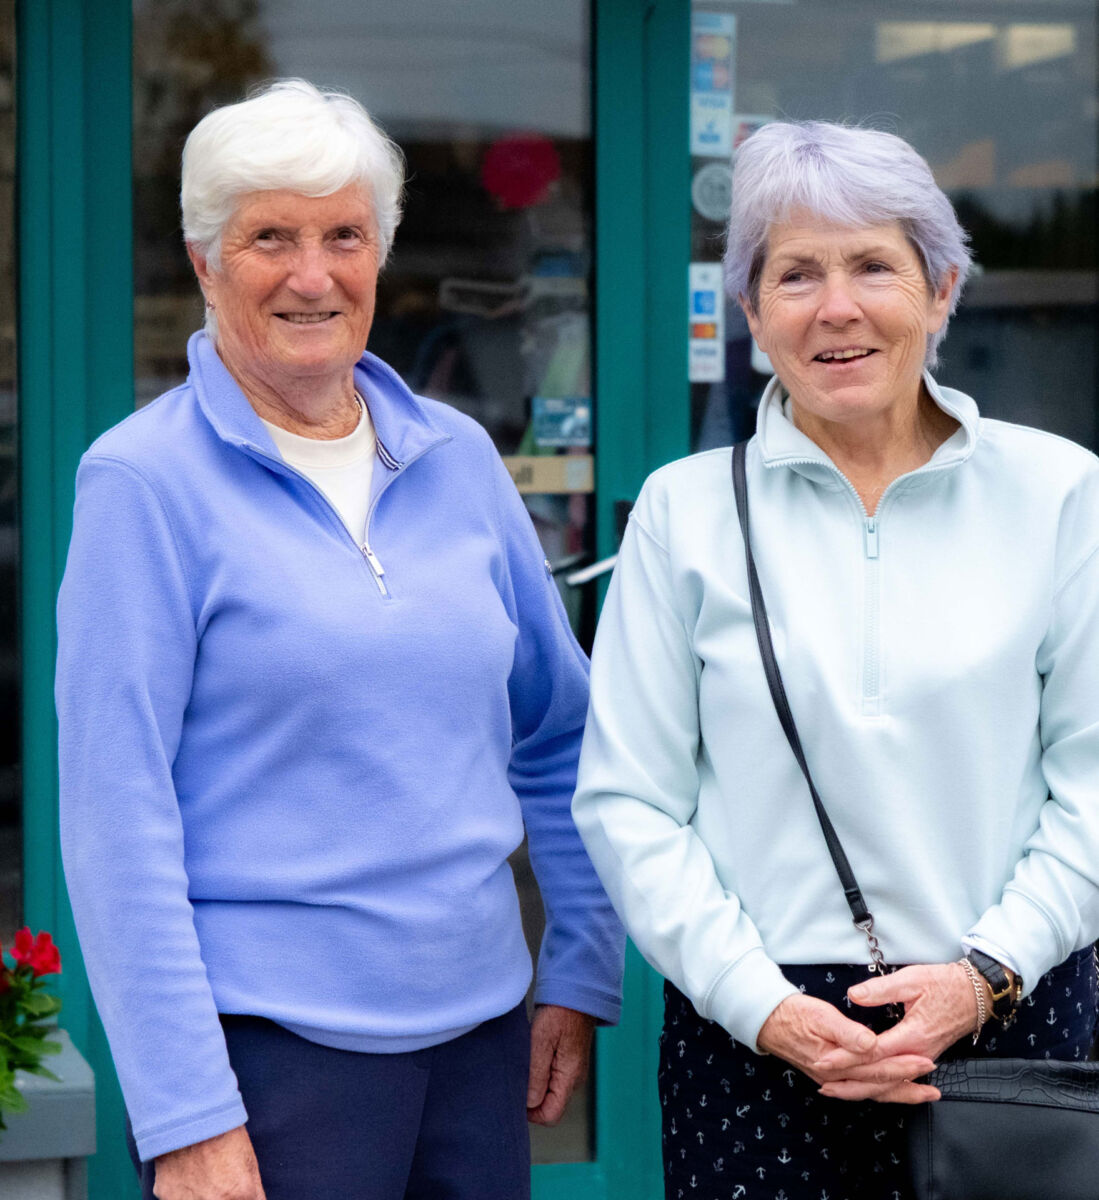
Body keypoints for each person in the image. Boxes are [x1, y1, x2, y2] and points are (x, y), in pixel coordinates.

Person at [56, 79, 623, 1200]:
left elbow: (561, 731)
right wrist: (186, 1115)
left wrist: (581, 960)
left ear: (380, 255)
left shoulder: (455, 455)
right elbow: (117, 818)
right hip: (276, 1061)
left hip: (477, 1043)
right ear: (207, 259)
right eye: (271, 236)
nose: (312, 275)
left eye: (343, 236)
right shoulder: (141, 483)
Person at [572, 120, 1099, 1198]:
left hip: (1014, 1010)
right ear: (753, 313)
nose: (836, 306)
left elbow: (1092, 785)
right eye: (796, 273)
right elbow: (629, 800)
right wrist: (760, 1004)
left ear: (941, 289)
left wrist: (983, 974)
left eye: (873, 265)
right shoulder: (685, 512)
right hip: (757, 1033)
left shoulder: (1059, 496)